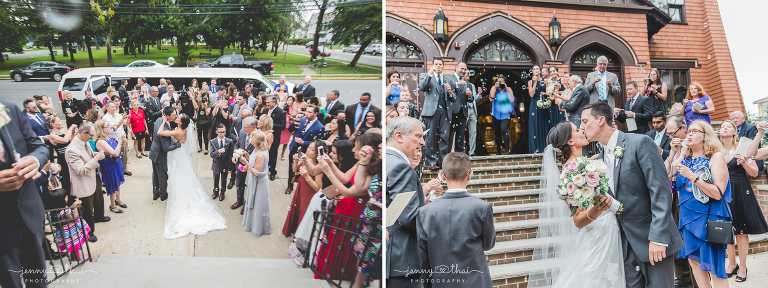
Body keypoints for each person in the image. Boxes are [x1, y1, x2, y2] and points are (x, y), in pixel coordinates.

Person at [580, 101, 683, 287]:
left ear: (601, 120)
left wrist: (658, 238)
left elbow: (660, 192)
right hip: (624, 245)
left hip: (652, 239)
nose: (581, 127)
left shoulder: (640, 143)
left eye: (585, 121)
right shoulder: (599, 160)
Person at [528, 121, 623, 287]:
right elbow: (578, 220)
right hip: (598, 233)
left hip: (607, 229)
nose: (582, 130)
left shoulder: (585, 163)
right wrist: (596, 210)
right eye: (577, 129)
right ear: (570, 141)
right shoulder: (571, 173)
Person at [668, 120, 730, 287]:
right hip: (688, 219)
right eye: (688, 131)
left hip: (709, 218)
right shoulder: (684, 158)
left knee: (714, 267)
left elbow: (718, 193)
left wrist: (693, 177)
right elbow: (665, 173)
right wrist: (673, 153)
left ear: (705, 136)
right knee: (694, 263)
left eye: (695, 131)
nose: (689, 134)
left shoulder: (715, 157)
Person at [417, 152, 494, 287]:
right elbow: (488, 244)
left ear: (442, 175)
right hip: (476, 282)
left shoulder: (425, 212)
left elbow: (423, 256)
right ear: (470, 175)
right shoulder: (482, 207)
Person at [0, 101, 50, 288]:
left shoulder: (10, 109)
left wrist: (35, 160)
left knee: (38, 281)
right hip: (2, 229)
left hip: (30, 215)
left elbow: (39, 147)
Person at [157, 113, 228, 239]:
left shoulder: (178, 131)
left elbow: (160, 132)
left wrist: (163, 121)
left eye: (178, 117)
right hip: (178, 154)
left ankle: (180, 201)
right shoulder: (184, 129)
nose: (176, 117)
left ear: (181, 123)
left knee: (177, 178)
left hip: (176, 156)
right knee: (181, 177)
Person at [718, 120, 768, 283]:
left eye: (728, 126)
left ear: (735, 131)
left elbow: (754, 172)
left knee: (741, 230)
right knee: (726, 229)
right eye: (722, 126)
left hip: (740, 190)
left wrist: (745, 162)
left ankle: (743, 266)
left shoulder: (743, 148)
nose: (724, 128)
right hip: (723, 191)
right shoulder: (714, 150)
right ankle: (732, 264)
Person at [385, 116, 426, 286]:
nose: (422, 142)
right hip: (401, 259)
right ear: (399, 136)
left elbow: (393, 211)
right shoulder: (400, 166)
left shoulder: (386, 159)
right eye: (418, 136)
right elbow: (408, 217)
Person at [662, 115, 697, 288]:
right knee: (676, 235)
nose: (671, 136)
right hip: (677, 195)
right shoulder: (675, 148)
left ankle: (697, 279)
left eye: (673, 133)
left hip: (693, 196)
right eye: (668, 134)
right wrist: (672, 152)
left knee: (691, 239)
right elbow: (666, 173)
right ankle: (683, 277)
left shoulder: (694, 146)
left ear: (683, 128)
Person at [65, 122, 107, 241]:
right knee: (87, 209)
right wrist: (96, 159)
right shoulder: (72, 150)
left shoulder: (85, 142)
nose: (92, 138)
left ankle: (99, 216)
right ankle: (89, 232)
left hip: (93, 177)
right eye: (91, 135)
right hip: (83, 182)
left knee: (99, 199)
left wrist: (98, 154)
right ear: (83, 133)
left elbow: (88, 156)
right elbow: (80, 170)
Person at [419, 58, 454, 170]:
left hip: (445, 111)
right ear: (433, 65)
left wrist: (450, 92)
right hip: (431, 111)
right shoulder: (425, 76)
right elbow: (422, 87)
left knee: (444, 137)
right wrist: (430, 73)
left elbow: (453, 98)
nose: (438, 66)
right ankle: (431, 162)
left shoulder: (448, 79)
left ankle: (442, 162)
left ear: (443, 66)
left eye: (440, 64)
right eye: (436, 64)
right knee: (429, 136)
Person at [238, 130, 271, 237]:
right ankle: (251, 223)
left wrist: (246, 163)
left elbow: (257, 173)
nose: (250, 139)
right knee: (252, 202)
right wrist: (247, 155)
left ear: (256, 141)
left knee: (258, 204)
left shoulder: (261, 154)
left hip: (259, 184)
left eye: (252, 138)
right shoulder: (256, 149)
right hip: (254, 181)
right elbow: (253, 161)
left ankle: (258, 227)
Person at [286, 105, 325, 194]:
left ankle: (301, 186)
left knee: (303, 170)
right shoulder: (302, 119)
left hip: (306, 152)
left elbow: (317, 142)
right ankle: (290, 185)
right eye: (306, 111)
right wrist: (296, 121)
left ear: (315, 113)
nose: (306, 113)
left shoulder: (319, 127)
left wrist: (303, 142)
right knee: (292, 167)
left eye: (309, 112)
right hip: (294, 148)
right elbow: (290, 129)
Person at [149, 107, 185, 201]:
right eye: (174, 115)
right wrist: (179, 144)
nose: (176, 116)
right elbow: (166, 148)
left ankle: (155, 193)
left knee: (155, 174)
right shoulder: (164, 128)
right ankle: (163, 194)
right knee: (162, 176)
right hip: (160, 155)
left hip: (153, 152)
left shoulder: (158, 120)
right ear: (167, 116)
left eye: (176, 114)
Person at [93, 120, 127, 214]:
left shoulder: (108, 137)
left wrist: (121, 142)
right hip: (109, 166)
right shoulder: (101, 141)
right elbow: (115, 153)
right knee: (113, 186)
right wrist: (120, 141)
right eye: (106, 127)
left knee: (117, 183)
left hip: (116, 164)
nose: (109, 128)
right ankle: (112, 206)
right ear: (101, 129)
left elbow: (116, 150)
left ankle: (118, 200)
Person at [230, 116, 257, 212]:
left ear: (254, 127)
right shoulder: (242, 132)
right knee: (239, 183)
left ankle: (247, 203)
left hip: (252, 167)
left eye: (246, 127)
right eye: (243, 126)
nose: (243, 129)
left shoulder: (259, 137)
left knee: (250, 186)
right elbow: (237, 144)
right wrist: (235, 154)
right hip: (240, 164)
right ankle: (239, 200)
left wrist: (249, 165)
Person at [262, 95, 286, 181]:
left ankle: (272, 172)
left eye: (268, 102)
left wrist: (269, 124)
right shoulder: (265, 110)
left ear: (274, 102)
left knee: (272, 155)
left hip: (274, 137)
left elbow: (282, 126)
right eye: (266, 102)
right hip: (263, 136)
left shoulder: (281, 112)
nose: (267, 104)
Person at [448, 62, 471, 153]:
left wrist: (470, 96)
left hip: (463, 112)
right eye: (461, 69)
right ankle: (447, 155)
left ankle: (459, 156)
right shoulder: (449, 79)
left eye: (465, 69)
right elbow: (445, 90)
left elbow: (470, 100)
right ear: (456, 68)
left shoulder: (468, 84)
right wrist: (457, 84)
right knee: (447, 134)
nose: (463, 71)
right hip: (451, 111)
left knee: (460, 136)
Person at [528, 65, 550, 153]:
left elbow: (549, 93)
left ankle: (544, 147)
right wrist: (535, 83)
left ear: (540, 71)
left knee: (544, 123)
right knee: (535, 124)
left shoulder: (545, 81)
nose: (535, 70)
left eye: (537, 69)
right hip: (534, 104)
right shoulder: (530, 82)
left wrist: (544, 94)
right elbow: (531, 94)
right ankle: (535, 148)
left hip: (543, 103)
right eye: (533, 69)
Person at [492, 75, 515, 155]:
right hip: (495, 114)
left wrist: (506, 88)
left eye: (502, 81)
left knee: (504, 130)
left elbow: (512, 99)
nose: (500, 83)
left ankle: (507, 150)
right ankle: (499, 150)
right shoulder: (494, 88)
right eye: (499, 81)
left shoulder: (508, 89)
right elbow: (491, 98)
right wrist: (495, 87)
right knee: (497, 132)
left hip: (506, 114)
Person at [209, 123, 233, 200]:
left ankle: (222, 192)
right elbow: (212, 154)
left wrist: (230, 168)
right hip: (216, 164)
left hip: (225, 165)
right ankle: (215, 192)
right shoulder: (213, 141)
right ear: (216, 132)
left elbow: (230, 155)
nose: (222, 134)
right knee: (215, 179)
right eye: (220, 132)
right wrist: (218, 152)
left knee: (224, 180)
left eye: (224, 132)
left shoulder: (229, 141)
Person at [464, 73, 480, 156]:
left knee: (473, 132)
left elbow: (474, 100)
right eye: (466, 73)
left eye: (469, 74)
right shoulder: (459, 83)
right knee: (459, 130)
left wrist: (479, 94)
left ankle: (472, 151)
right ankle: (454, 150)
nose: (468, 75)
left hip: (473, 110)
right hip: (464, 109)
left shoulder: (472, 85)